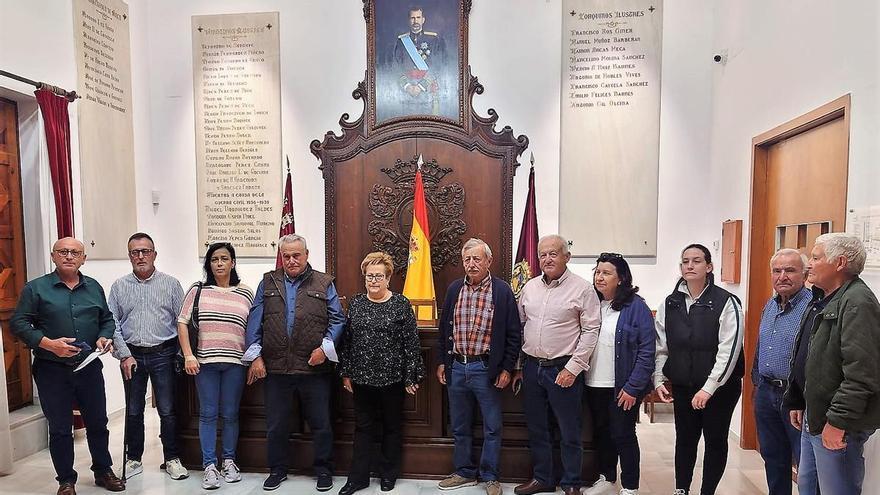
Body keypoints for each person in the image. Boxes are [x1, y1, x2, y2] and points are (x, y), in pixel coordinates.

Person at [10, 237, 126, 495]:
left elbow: (107, 319)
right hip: (52, 370)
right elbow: (18, 323)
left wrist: (104, 336)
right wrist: (48, 344)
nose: (69, 256)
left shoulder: (94, 287)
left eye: (75, 252)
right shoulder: (36, 289)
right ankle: (66, 480)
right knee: (61, 428)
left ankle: (103, 470)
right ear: (53, 256)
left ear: (84, 258)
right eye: (63, 251)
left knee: (98, 422)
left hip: (88, 367)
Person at [243, 234, 345, 492]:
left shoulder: (324, 282)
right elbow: (255, 320)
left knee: (321, 423)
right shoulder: (268, 282)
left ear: (306, 254)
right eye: (286, 256)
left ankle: (323, 470)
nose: (291, 260)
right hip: (276, 368)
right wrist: (255, 356)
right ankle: (277, 469)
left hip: (314, 368)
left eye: (296, 255)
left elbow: (338, 320)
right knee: (276, 424)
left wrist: (325, 348)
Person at [784, 233, 880, 495]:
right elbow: (809, 356)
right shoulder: (821, 298)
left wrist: (838, 422)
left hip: (837, 424)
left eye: (816, 258)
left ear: (839, 263)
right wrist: (798, 399)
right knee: (809, 488)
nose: (809, 264)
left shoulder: (858, 303)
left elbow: (862, 374)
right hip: (814, 417)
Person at [653, 243, 744, 495]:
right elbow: (661, 345)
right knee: (685, 440)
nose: (690, 266)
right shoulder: (670, 303)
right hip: (684, 385)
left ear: (709, 266)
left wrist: (709, 388)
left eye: (696, 261)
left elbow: (730, 349)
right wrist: (658, 378)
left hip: (719, 390)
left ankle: (708, 491)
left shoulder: (727, 302)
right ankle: (681, 489)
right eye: (685, 261)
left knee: (715, 441)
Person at [514, 234, 601, 495]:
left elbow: (591, 330)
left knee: (569, 430)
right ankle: (543, 478)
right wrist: (519, 366)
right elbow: (520, 327)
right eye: (543, 254)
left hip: (563, 370)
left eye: (553, 253)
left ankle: (571, 482)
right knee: (537, 428)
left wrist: (572, 369)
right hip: (532, 369)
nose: (547, 259)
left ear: (567, 257)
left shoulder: (582, 289)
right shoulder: (529, 288)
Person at [435, 239, 522, 495]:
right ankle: (464, 472)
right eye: (467, 260)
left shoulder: (502, 291)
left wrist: (507, 368)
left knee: (492, 426)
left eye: (477, 259)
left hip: (487, 369)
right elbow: (443, 330)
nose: (471, 264)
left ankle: (490, 476)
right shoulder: (454, 290)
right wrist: (442, 361)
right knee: (460, 425)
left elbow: (513, 334)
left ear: (488, 261)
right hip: (457, 368)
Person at [337, 252, 425, 495]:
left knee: (391, 428)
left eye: (378, 276)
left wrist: (411, 376)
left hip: (392, 379)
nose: (373, 280)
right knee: (363, 429)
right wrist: (346, 373)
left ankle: (388, 476)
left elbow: (411, 343)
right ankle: (358, 479)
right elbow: (347, 341)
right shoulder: (356, 303)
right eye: (369, 276)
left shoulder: (400, 303)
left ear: (388, 278)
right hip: (361, 379)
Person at [108, 232, 188, 481]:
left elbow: (182, 321)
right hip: (132, 356)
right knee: (133, 411)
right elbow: (112, 323)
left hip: (163, 354)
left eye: (145, 251)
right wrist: (123, 355)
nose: (140, 256)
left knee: (167, 410)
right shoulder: (119, 286)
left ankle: (172, 458)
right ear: (129, 255)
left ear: (154, 254)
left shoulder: (171, 284)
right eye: (135, 252)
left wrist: (180, 354)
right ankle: (134, 459)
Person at [177, 242, 254, 490]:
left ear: (233, 262)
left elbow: (253, 328)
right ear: (209, 264)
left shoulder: (245, 293)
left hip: (236, 363)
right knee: (208, 414)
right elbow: (182, 323)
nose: (219, 263)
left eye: (224, 258)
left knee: (230, 415)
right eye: (214, 260)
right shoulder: (198, 290)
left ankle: (229, 461)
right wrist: (189, 355)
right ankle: (209, 465)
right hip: (205, 363)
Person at [583, 253, 655, 495]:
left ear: (621, 278)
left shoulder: (637, 307)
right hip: (593, 382)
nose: (599, 277)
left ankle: (631, 486)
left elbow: (647, 351)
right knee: (602, 432)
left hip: (622, 386)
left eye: (606, 273)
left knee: (623, 434)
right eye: (597, 272)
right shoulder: (591, 302)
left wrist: (634, 387)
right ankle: (607, 477)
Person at [751, 248, 810, 495]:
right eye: (777, 271)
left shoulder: (812, 307)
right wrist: (756, 380)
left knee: (805, 464)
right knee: (773, 458)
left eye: (790, 270)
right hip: (766, 392)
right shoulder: (770, 305)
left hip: (795, 398)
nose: (782, 276)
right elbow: (761, 345)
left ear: (805, 274)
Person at [389, 5, 448, 116]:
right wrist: (407, 86)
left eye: (418, 17)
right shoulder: (401, 41)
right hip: (406, 92)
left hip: (427, 90)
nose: (415, 21)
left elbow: (439, 65)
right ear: (409, 20)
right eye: (412, 18)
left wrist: (421, 86)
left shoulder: (434, 39)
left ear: (423, 20)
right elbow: (395, 66)